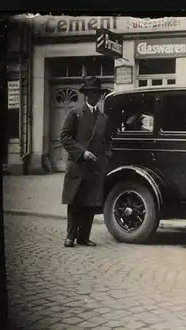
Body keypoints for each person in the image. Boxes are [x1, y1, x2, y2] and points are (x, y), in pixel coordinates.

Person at [60, 76, 113, 248]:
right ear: (85, 95)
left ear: (100, 95)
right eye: (91, 93)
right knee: (75, 201)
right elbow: (65, 137)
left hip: (95, 167)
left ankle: (83, 237)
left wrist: (106, 157)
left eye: (97, 93)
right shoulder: (74, 113)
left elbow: (108, 141)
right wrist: (82, 153)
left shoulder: (104, 118)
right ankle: (70, 236)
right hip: (78, 165)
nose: (94, 96)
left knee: (90, 202)